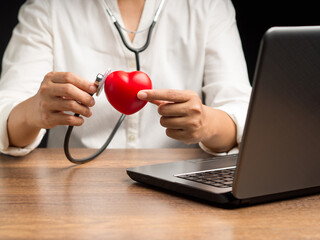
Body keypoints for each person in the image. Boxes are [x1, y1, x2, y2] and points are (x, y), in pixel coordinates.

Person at [0, 0, 251, 157]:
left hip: (180, 194)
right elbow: (5, 114)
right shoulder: (47, 8)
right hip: (73, 195)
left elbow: (244, 114)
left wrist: (207, 123)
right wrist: (34, 111)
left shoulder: (210, 6)